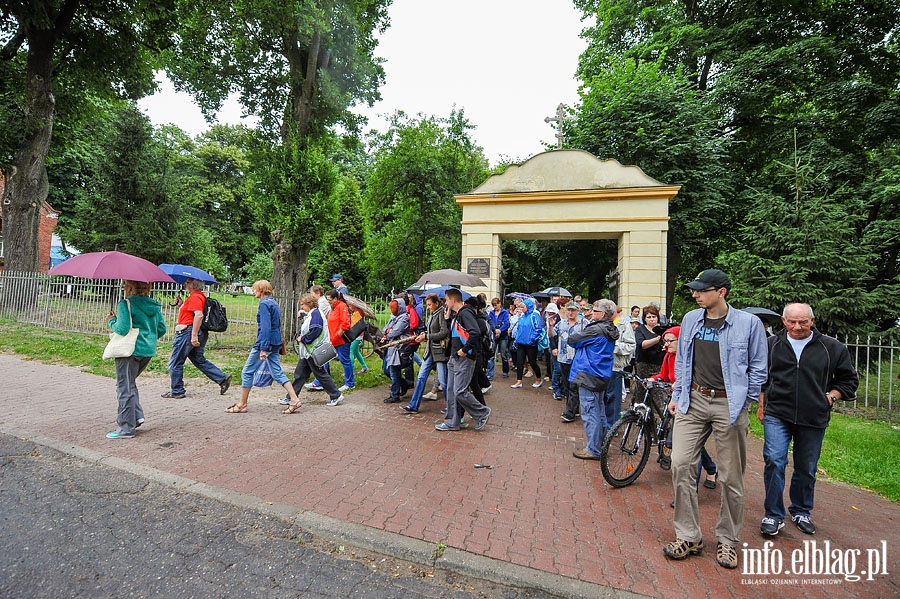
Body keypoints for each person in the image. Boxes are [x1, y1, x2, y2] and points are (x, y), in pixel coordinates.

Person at [663, 269, 767, 570]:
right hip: (692, 401)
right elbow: (682, 360)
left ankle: (727, 540)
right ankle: (689, 535)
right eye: (694, 290)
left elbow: (759, 368)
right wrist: (677, 395)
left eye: (701, 290)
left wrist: (745, 401)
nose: (695, 295)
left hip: (729, 405)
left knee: (730, 476)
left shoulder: (749, 324)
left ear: (721, 291)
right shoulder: (691, 319)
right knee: (681, 464)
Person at [758, 303, 858, 537]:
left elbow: (848, 380)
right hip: (777, 413)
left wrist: (831, 397)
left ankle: (801, 510)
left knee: (807, 467)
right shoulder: (771, 345)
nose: (797, 327)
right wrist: (762, 405)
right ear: (783, 321)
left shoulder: (831, 347)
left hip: (813, 416)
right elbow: (761, 378)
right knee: (774, 460)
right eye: (792, 322)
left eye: (803, 322)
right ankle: (773, 515)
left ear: (812, 321)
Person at [650, 326, 717, 487]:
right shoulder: (668, 357)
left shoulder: (692, 358)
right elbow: (665, 376)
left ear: (682, 341)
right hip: (677, 403)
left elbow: (695, 379)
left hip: (694, 404)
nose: (666, 345)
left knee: (692, 443)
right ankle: (712, 469)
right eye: (665, 341)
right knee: (693, 444)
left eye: (670, 341)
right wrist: (653, 379)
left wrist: (680, 386)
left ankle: (692, 489)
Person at [226, 280, 301, 414]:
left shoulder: (264, 304)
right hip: (275, 342)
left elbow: (266, 327)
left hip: (265, 343)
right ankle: (294, 399)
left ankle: (242, 404)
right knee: (277, 373)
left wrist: (263, 348)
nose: (254, 291)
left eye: (255, 289)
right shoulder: (274, 303)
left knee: (247, 371)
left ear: (261, 290)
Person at [105, 280, 167, 439]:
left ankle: (126, 427)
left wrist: (111, 321)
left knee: (124, 386)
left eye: (125, 285)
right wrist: (149, 337)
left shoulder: (126, 304)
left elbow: (122, 328)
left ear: (130, 288)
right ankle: (136, 417)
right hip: (146, 351)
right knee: (130, 383)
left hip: (129, 351)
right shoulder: (154, 305)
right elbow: (161, 329)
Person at [162, 278, 231, 399]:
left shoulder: (195, 297)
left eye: (187, 282)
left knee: (175, 362)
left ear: (194, 285)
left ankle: (177, 390)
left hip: (188, 332)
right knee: (198, 359)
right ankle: (222, 379)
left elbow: (199, 315)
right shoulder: (198, 296)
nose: (185, 284)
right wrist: (182, 304)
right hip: (198, 331)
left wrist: (193, 335)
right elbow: (192, 313)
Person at [434, 288, 492, 432]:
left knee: (460, 391)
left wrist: (465, 350)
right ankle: (452, 422)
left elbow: (475, 332)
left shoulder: (465, 313)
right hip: (455, 358)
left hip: (464, 358)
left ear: (453, 300)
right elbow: (454, 334)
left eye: (446, 300)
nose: (445, 303)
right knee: (452, 391)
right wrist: (448, 320)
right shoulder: (458, 314)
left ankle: (482, 412)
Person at [568, 299, 619, 459]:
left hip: (589, 374)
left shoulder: (595, 330)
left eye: (594, 311)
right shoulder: (610, 328)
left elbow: (573, 340)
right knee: (600, 411)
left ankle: (593, 449)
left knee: (590, 413)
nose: (590, 313)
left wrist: (581, 341)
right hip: (601, 374)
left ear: (603, 314)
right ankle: (601, 444)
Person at [284, 293, 344, 411]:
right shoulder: (314, 313)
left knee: (320, 374)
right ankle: (291, 396)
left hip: (313, 350)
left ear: (309, 304)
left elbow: (316, 329)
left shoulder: (316, 314)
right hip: (309, 351)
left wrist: (304, 339)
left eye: (302, 305)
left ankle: (336, 395)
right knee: (300, 374)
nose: (301, 307)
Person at [402, 293, 450, 413]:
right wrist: (424, 335)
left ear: (436, 303)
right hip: (430, 351)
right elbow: (430, 331)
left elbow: (444, 332)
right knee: (421, 377)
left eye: (429, 305)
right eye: (427, 305)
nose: (428, 307)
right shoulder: (433, 314)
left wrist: (427, 336)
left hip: (439, 352)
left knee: (443, 381)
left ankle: (451, 407)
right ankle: (413, 405)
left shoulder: (441, 314)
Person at [605, 305, 636, 427]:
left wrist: (614, 347)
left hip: (615, 366)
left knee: (613, 397)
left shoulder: (625, 325)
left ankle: (613, 426)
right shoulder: (602, 323)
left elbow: (631, 346)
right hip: (600, 366)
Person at [632, 305, 666, 408]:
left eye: (654, 317)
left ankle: (658, 416)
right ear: (644, 319)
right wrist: (657, 339)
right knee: (642, 391)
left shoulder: (663, 329)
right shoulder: (640, 329)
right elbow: (641, 344)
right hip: (644, 365)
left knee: (659, 393)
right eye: (649, 317)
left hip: (659, 365)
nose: (652, 319)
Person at [381, 297, 412, 403]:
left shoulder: (404, 318)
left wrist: (389, 332)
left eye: (394, 308)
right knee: (386, 370)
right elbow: (385, 329)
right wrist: (388, 331)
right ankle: (404, 383)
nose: (392, 310)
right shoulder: (393, 317)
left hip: (398, 349)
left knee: (393, 370)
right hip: (390, 347)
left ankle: (395, 395)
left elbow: (393, 333)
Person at [557, 301, 584, 423]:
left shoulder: (584, 324)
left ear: (578, 311)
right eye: (569, 310)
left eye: (573, 310)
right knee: (567, 385)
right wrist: (550, 326)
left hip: (577, 359)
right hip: (563, 358)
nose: (570, 312)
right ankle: (574, 407)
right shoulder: (561, 323)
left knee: (573, 385)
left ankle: (570, 412)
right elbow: (552, 335)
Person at [325, 289, 355, 392]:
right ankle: (319, 381)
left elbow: (345, 325)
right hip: (333, 340)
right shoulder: (334, 307)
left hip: (340, 341)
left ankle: (350, 383)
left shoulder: (341, 306)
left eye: (329, 300)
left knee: (345, 361)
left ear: (336, 299)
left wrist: (335, 337)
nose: (328, 301)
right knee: (325, 359)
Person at [510, 298, 543, 389]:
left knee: (532, 362)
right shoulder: (522, 316)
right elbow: (519, 328)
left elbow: (538, 329)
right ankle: (519, 381)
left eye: (523, 307)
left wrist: (532, 339)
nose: (521, 308)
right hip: (521, 343)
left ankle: (539, 378)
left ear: (528, 306)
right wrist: (517, 338)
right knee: (519, 362)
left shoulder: (534, 315)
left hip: (531, 344)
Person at [486, 297, 510, 380]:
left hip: (503, 336)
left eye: (496, 305)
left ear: (500, 304)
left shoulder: (505, 312)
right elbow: (490, 322)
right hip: (494, 335)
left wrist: (500, 330)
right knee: (491, 355)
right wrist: (495, 330)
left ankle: (505, 371)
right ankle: (490, 374)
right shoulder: (491, 313)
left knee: (503, 354)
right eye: (493, 305)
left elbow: (507, 323)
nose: (495, 307)